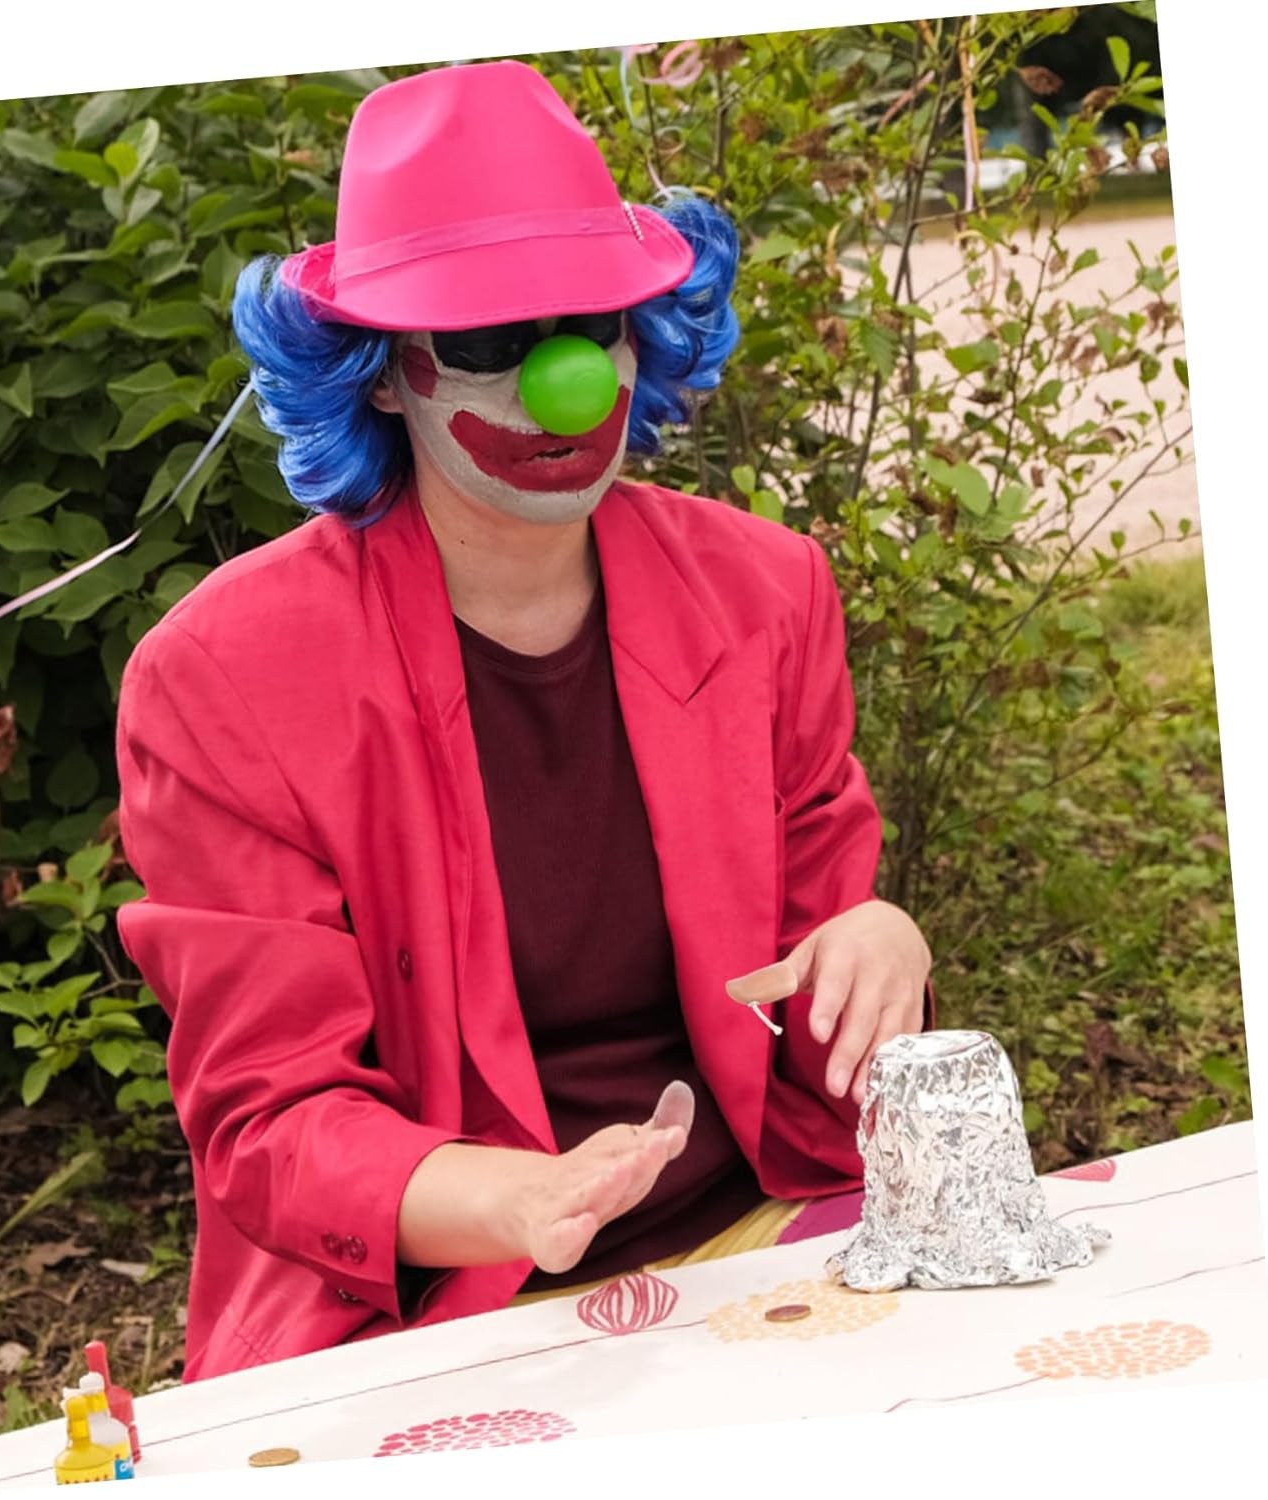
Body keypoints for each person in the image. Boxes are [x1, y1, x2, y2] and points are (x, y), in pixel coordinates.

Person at [115, 59, 933, 1383]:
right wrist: (516, 1200)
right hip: (440, 1310)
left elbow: (812, 960)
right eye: (491, 344)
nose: (564, 383)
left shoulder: (765, 592)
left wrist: (877, 941)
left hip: (757, 1240)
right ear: (384, 377)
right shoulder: (223, 677)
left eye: (592, 326)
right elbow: (272, 1115)